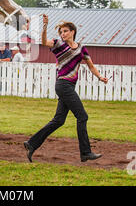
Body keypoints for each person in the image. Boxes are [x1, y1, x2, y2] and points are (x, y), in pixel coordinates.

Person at [23, 14, 108, 163]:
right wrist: (45, 26)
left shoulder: (82, 49)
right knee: (82, 116)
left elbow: (91, 66)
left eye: (65, 31)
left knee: (59, 120)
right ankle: (86, 153)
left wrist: (100, 77)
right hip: (63, 85)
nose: (63, 34)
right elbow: (43, 42)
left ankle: (32, 144)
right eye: (61, 32)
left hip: (68, 86)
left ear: (73, 31)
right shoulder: (58, 44)